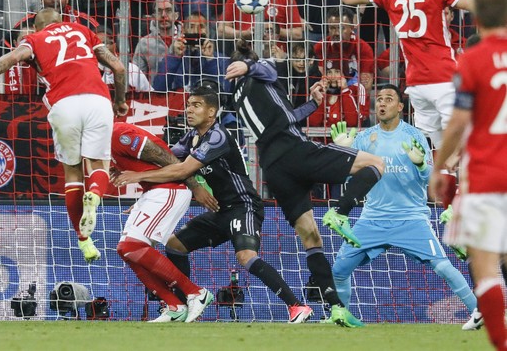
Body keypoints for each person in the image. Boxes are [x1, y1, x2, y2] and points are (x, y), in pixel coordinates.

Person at [116, 84, 314, 323]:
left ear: (211, 112)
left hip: (244, 206)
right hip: (220, 210)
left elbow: (182, 170)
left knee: (246, 257)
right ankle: (185, 304)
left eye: (196, 105)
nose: (189, 110)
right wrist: (146, 200)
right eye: (188, 105)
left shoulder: (218, 136)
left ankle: (297, 306)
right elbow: (166, 159)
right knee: (174, 246)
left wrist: (137, 177)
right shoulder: (191, 138)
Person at [224, 40, 385, 327]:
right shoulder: (261, 74)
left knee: (311, 238)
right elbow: (268, 71)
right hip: (296, 151)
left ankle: (335, 308)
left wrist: (313, 103)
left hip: (273, 168)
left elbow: (286, 118)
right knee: (376, 164)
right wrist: (250, 65)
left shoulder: (238, 99)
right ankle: (341, 212)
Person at [0, 8, 128, 263]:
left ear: (37, 28)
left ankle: (83, 240)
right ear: (60, 21)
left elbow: (12, 58)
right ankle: (96, 196)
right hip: (98, 99)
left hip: (63, 104)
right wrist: (120, 100)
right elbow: (118, 67)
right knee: (99, 165)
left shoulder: (35, 39)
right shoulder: (83, 31)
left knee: (72, 172)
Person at [329, 85, 479, 330]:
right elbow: (349, 181)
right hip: (373, 218)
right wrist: (345, 154)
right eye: (379, 99)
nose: (382, 103)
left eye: (389, 99)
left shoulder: (415, 136)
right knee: (339, 269)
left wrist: (420, 165)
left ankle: (479, 311)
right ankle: (342, 319)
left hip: (411, 218)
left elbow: (430, 179)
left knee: (444, 267)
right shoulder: (365, 138)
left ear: (400, 107)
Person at [429, 0, 507, 351]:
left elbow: (458, 122)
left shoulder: (471, 61)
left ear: (476, 17)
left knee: (486, 265)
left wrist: (438, 167)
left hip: (487, 176)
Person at [342, 0, 474, 154]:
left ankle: (441, 182)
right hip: (444, 78)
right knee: (465, 145)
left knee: (438, 150)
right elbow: (473, 5)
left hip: (416, 85)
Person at [109, 121, 217, 323]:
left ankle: (195, 293)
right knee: (125, 250)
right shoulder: (98, 144)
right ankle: (174, 306)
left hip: (170, 189)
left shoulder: (118, 134)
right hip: (152, 193)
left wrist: (194, 187)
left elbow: (167, 158)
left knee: (132, 246)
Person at [132, 0, 183, 86]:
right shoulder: (144, 43)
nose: (163, 15)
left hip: (184, 95)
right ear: (153, 17)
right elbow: (137, 77)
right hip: (156, 95)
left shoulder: (186, 40)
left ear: (176, 16)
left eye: (168, 10)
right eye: (159, 11)